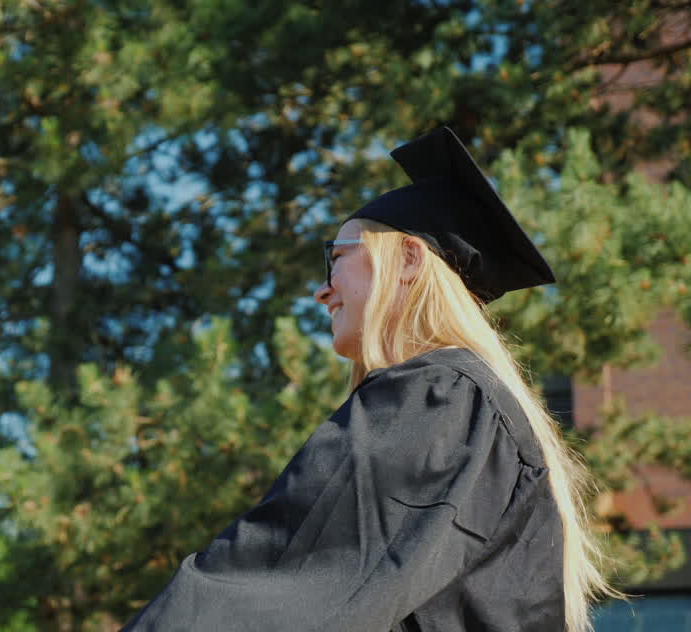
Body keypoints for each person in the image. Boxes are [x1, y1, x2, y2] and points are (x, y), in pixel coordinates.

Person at [122, 128, 614, 632]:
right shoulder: (465, 406)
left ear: (409, 259)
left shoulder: (439, 399)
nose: (322, 291)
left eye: (336, 257)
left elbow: (284, 581)